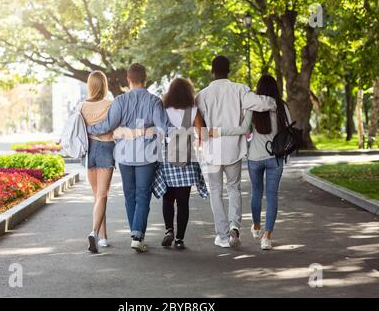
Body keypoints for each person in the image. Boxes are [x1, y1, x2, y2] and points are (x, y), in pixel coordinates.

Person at [86, 63, 170, 253]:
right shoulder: (154, 101)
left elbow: (107, 125)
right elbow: (166, 128)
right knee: (142, 195)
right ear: (145, 78)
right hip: (146, 156)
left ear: (128, 79)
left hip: (124, 155)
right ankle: (137, 235)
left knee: (130, 195)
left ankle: (135, 233)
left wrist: (87, 129)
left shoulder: (120, 101)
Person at [196, 56, 277, 249]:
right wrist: (274, 103)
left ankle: (222, 236)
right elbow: (264, 104)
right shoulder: (240, 90)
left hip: (213, 150)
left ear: (212, 71)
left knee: (215, 191)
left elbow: (195, 121)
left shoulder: (202, 95)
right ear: (229, 70)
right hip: (234, 149)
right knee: (234, 188)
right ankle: (235, 226)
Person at [210, 75, 291, 250]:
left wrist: (216, 131)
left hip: (255, 157)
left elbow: (243, 129)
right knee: (272, 196)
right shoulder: (281, 106)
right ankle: (267, 237)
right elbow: (289, 128)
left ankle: (256, 225)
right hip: (275, 157)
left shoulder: (253, 107)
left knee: (256, 192)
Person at [152, 78, 208, 250]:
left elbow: (158, 132)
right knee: (183, 202)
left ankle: (169, 230)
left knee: (168, 199)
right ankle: (179, 239)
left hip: (167, 159)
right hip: (187, 159)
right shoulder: (193, 111)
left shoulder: (164, 109)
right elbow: (202, 135)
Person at [81, 71, 115, 253]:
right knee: (102, 195)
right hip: (105, 149)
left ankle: (104, 237)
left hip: (89, 151)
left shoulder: (82, 106)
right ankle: (95, 233)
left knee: (97, 197)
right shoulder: (110, 105)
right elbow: (113, 126)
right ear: (104, 84)